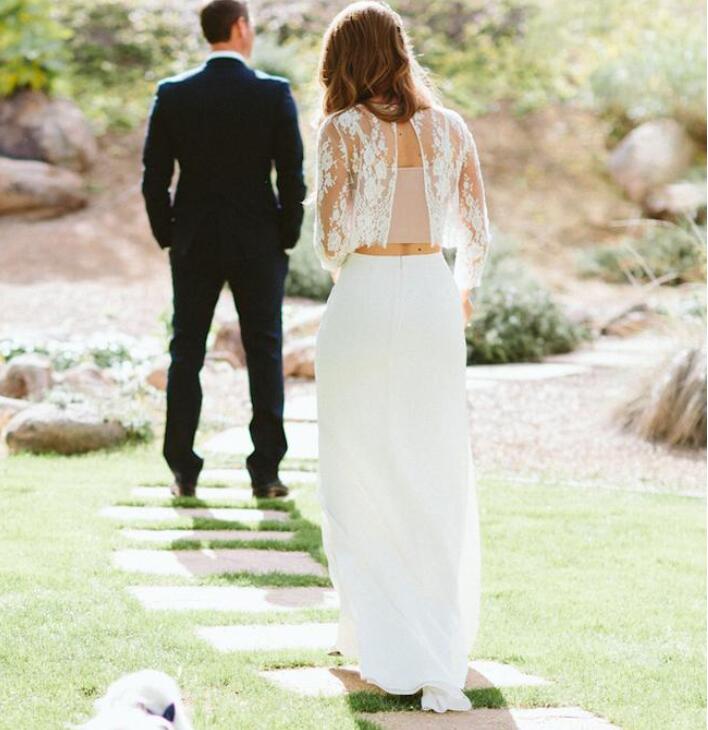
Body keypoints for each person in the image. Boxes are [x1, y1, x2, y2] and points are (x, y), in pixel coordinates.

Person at [312, 1, 492, 714]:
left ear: (343, 59)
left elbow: (330, 239)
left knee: (357, 466)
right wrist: (460, 291)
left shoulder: (340, 130)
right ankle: (429, 639)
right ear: (399, 51)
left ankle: (378, 637)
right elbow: (476, 234)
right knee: (432, 462)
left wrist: (357, 265)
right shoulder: (452, 128)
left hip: (362, 296)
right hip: (430, 295)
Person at [141, 0, 306, 499]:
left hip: (193, 239)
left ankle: (182, 468)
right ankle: (266, 471)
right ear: (239, 27)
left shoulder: (173, 93)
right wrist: (287, 233)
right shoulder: (272, 93)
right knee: (265, 350)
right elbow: (292, 174)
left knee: (186, 350)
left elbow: (154, 177)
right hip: (259, 239)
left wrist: (169, 234)